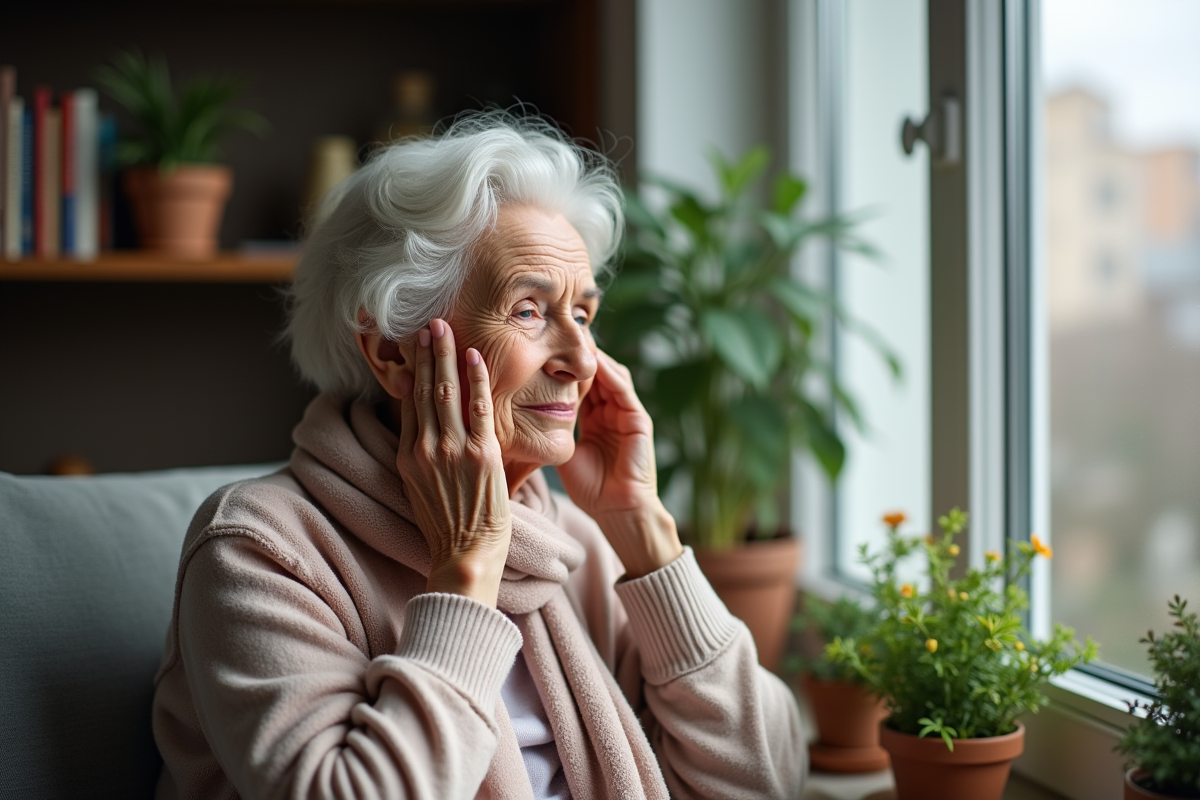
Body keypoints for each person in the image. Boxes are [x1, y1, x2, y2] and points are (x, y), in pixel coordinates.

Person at [151, 113, 805, 799]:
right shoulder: (259, 550)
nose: (583, 359)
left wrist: (644, 530)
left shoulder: (569, 541)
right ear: (394, 353)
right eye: (529, 310)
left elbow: (763, 779)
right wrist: (466, 566)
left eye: (582, 314)